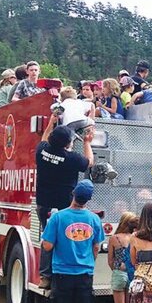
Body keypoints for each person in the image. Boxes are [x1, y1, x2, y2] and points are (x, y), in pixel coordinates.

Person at [41, 180, 105, 303]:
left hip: (62, 272)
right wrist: (89, 261)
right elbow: (96, 246)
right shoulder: (94, 219)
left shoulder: (58, 217)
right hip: (85, 273)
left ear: (73, 194)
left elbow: (47, 246)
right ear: (88, 199)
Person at [35, 120, 95, 289]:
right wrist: (87, 143)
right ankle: (65, 272)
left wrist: (50, 122)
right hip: (65, 207)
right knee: (67, 238)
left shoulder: (41, 151)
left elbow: (43, 139)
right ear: (69, 143)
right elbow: (89, 162)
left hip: (44, 204)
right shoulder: (71, 159)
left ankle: (45, 277)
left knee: (48, 238)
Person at [108, 212, 140, 303]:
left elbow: (110, 260)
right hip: (131, 274)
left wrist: (115, 270)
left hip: (118, 273)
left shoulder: (114, 239)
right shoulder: (135, 238)